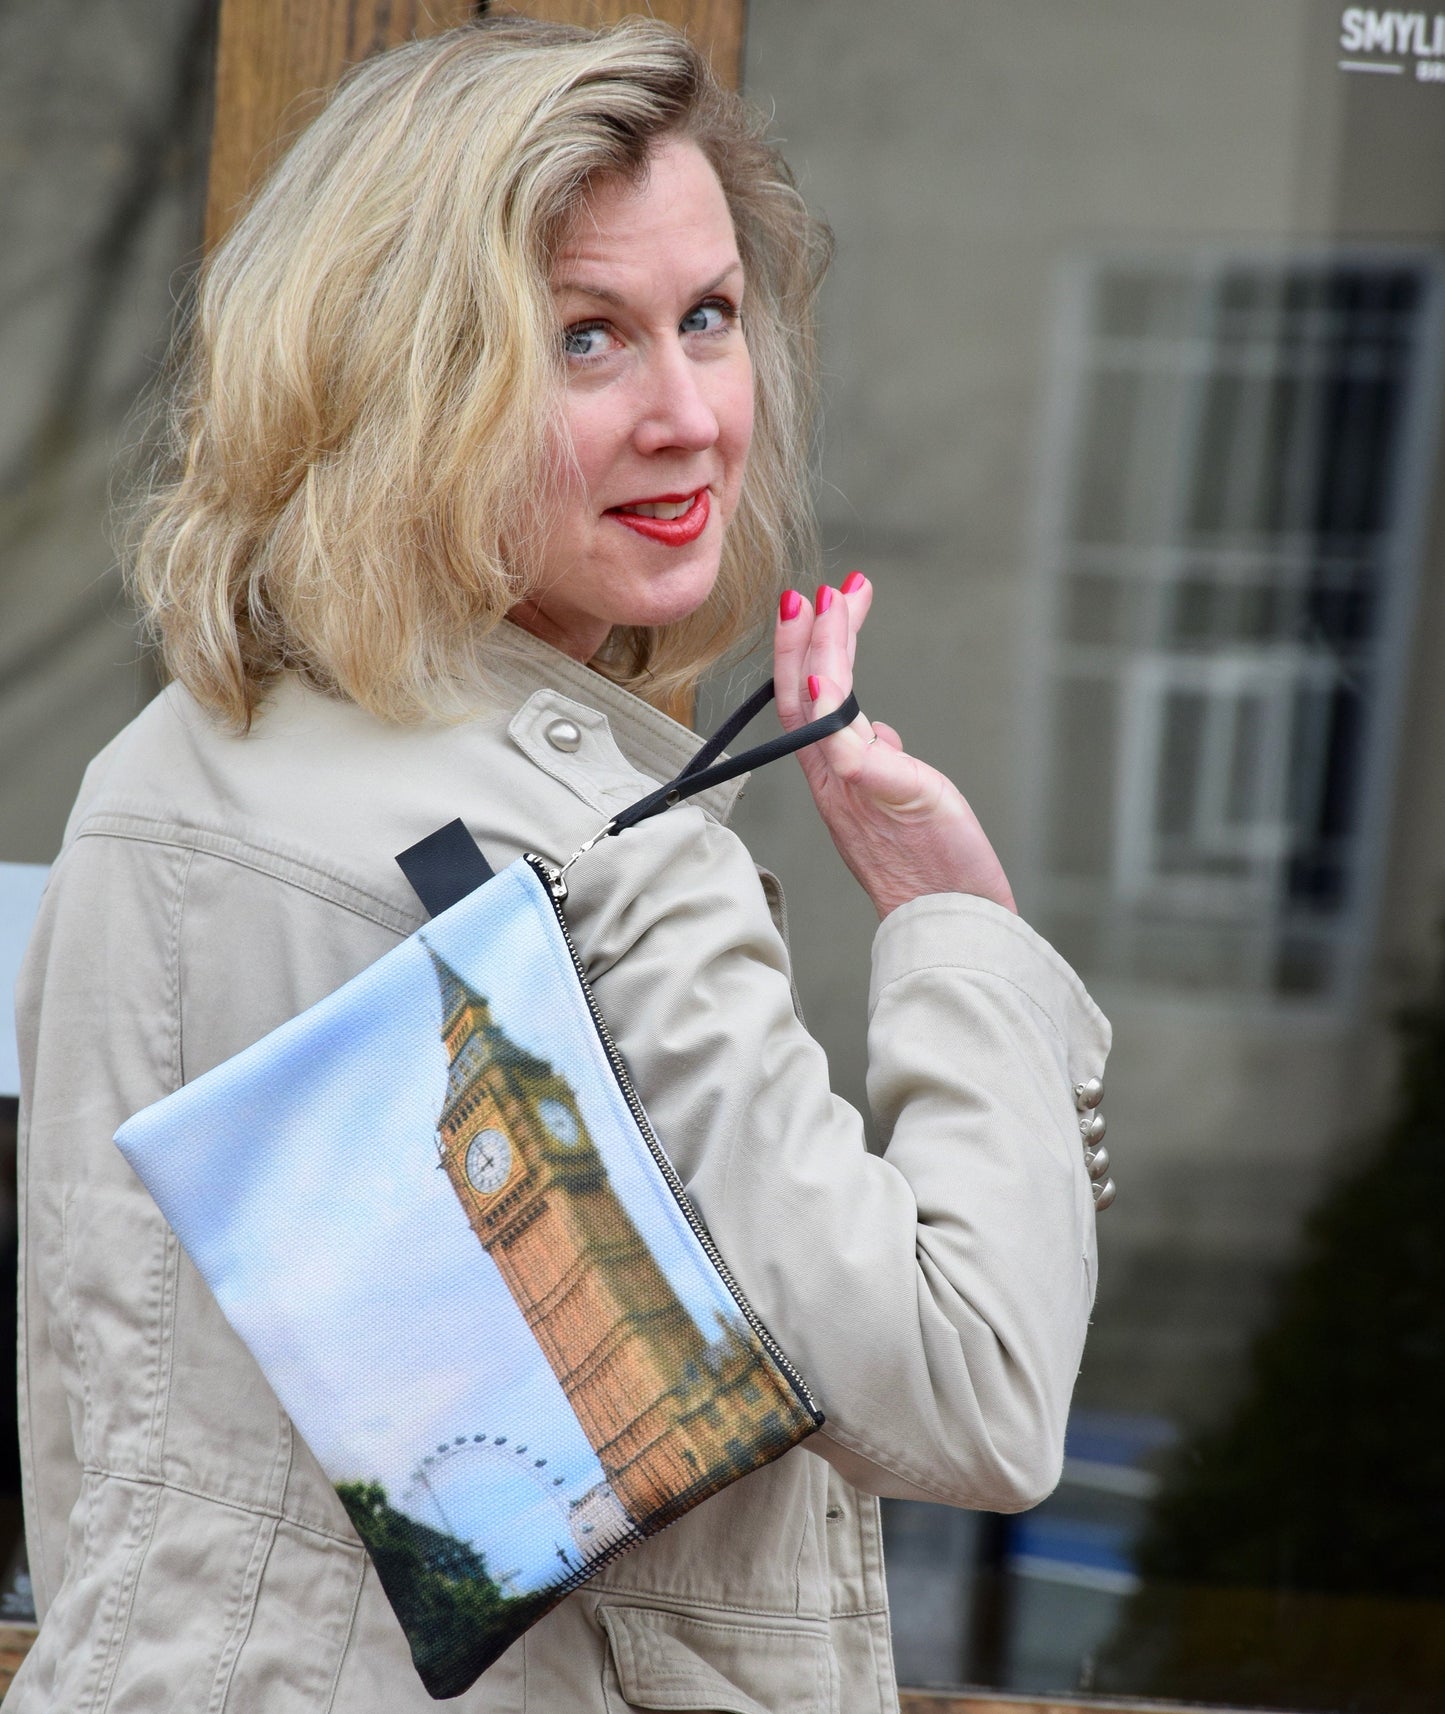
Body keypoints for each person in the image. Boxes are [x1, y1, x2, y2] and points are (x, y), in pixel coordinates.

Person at [12, 17, 1111, 1712]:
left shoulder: (155, 779)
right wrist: (955, 931)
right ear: (410, 370)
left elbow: (97, 1423)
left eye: (709, 318)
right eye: (583, 338)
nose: (687, 416)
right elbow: (970, 1387)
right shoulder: (589, 862)